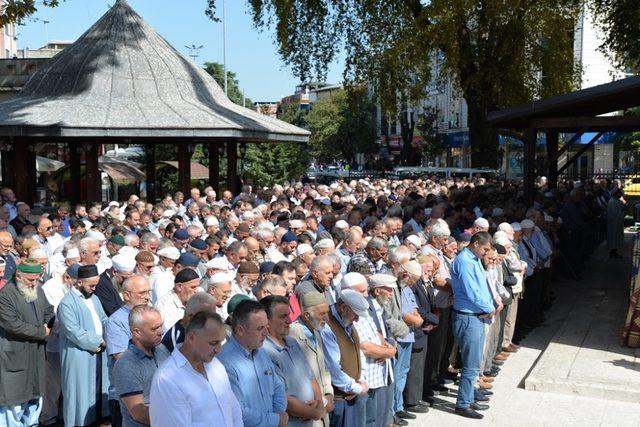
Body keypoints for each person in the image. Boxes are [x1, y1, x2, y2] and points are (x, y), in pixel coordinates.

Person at [150, 311, 243, 427]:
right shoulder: (167, 379)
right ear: (191, 337)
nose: (219, 350)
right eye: (213, 343)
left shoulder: (216, 365)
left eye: (220, 342)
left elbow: (234, 410)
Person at [0, 261, 54, 426]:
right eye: (30, 280)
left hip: (35, 354)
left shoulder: (37, 289)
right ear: (18, 276)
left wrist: (48, 324)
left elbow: (49, 310)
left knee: (34, 400)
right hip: (14, 354)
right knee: (14, 405)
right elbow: (12, 324)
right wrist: (41, 332)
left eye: (36, 280)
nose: (33, 283)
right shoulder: (5, 295)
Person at [218, 300, 288, 427]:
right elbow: (237, 411)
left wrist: (278, 414)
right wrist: (275, 420)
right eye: (260, 328)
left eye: (266, 326)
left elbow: (278, 386)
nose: (266, 333)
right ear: (240, 330)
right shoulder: (223, 362)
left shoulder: (261, 353)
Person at [57, 264, 110, 426]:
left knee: (98, 392)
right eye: (91, 285)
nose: (94, 289)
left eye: (96, 285)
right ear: (79, 283)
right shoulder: (66, 303)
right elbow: (73, 331)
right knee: (78, 394)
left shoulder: (94, 299)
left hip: (99, 354)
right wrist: (98, 341)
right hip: (78, 356)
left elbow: (104, 320)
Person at [450, 232, 495, 419]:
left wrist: (490, 305)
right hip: (468, 316)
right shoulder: (465, 261)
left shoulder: (474, 259)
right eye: (485, 249)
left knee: (474, 362)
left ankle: (468, 398)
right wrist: (489, 307)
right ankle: (463, 404)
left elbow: (482, 287)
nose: (486, 253)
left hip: (476, 315)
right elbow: (471, 291)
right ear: (476, 244)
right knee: (470, 364)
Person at [262, 295, 326, 426]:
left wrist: (319, 402)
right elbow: (282, 397)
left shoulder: (292, 342)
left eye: (289, 315)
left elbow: (311, 376)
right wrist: (316, 413)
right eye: (282, 316)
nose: (289, 321)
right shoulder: (264, 351)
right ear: (266, 321)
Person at [104, 275, 151, 427]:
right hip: (125, 398)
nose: (147, 297)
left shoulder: (151, 315)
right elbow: (122, 358)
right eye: (142, 293)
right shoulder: (116, 322)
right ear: (126, 295)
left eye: (148, 292)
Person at [319, 289, 370, 427]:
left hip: (353, 392)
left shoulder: (347, 322)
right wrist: (356, 388)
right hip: (339, 399)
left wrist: (361, 380)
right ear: (343, 308)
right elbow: (333, 369)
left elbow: (358, 352)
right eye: (356, 314)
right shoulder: (327, 327)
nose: (357, 319)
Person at [113, 305, 169, 427]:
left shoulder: (161, 349)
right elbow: (139, 413)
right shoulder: (126, 365)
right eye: (154, 329)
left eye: (161, 326)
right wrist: (174, 420)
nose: (161, 332)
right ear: (137, 332)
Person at [289, 292, 334, 427]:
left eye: (327, 313)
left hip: (322, 408)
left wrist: (329, 394)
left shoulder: (316, 331)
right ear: (307, 315)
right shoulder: (292, 335)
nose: (326, 318)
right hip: (307, 410)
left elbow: (324, 369)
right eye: (322, 314)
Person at [155, 267, 200, 332]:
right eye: (193, 287)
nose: (196, 291)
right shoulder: (164, 306)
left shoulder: (193, 301)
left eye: (197, 287)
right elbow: (168, 334)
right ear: (179, 287)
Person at [607, 189, 625, 258]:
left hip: (616, 223)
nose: (621, 195)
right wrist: (622, 214)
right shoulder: (612, 202)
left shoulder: (616, 201)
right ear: (615, 194)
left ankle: (614, 252)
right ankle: (612, 253)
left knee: (615, 237)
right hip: (614, 223)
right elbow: (615, 213)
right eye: (619, 193)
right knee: (613, 237)